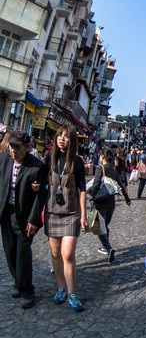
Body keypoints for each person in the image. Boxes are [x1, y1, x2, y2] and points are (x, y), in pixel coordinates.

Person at [0, 131, 46, 309]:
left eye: (17, 147)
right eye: (11, 146)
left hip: (25, 217)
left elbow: (40, 196)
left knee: (22, 253)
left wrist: (34, 220)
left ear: (27, 147)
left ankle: (27, 290)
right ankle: (17, 282)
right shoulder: (4, 160)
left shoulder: (36, 167)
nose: (13, 151)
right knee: (10, 250)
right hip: (6, 213)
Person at [44, 125, 88, 311]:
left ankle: (72, 294)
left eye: (66, 136)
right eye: (60, 135)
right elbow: (38, 178)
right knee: (55, 253)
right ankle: (60, 288)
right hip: (52, 213)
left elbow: (82, 189)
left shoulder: (77, 162)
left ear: (72, 140)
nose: (62, 139)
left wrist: (84, 214)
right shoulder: (49, 159)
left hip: (71, 214)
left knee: (67, 254)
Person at [89, 148, 132, 263]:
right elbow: (120, 184)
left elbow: (96, 183)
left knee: (99, 228)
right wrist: (127, 199)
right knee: (105, 225)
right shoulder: (113, 169)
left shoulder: (100, 168)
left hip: (101, 202)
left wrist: (91, 196)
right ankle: (105, 247)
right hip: (111, 203)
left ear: (102, 157)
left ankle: (108, 248)